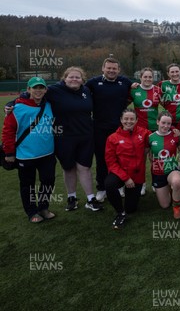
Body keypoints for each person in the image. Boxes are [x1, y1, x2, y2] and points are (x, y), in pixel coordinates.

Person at [2, 77, 56, 223]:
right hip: (26, 155)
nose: (38, 90)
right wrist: (9, 153)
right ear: (28, 90)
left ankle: (43, 207)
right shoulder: (17, 108)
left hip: (48, 154)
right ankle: (32, 212)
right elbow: (8, 131)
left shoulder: (49, 105)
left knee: (48, 181)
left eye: (41, 88)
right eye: (35, 88)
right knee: (28, 185)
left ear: (45, 90)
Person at [52, 67, 102, 212]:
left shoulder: (86, 91)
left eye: (77, 77)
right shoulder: (55, 90)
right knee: (68, 168)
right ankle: (71, 197)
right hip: (63, 137)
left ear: (82, 80)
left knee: (84, 167)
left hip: (86, 136)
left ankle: (91, 199)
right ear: (65, 78)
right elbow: (33, 93)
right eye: (71, 77)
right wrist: (12, 104)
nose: (74, 79)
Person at [86, 57, 133, 203]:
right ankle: (101, 188)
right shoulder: (93, 83)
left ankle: (119, 185)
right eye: (109, 68)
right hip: (99, 128)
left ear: (118, 70)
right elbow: (74, 90)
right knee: (101, 158)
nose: (111, 71)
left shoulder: (125, 82)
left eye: (114, 68)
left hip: (119, 128)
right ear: (103, 68)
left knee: (121, 158)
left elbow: (137, 92)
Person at [104, 109, 151, 229]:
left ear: (136, 120)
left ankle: (127, 207)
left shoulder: (144, 133)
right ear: (121, 120)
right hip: (120, 173)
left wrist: (174, 131)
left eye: (131, 119)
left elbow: (160, 135)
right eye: (126, 119)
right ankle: (120, 212)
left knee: (131, 209)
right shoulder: (112, 138)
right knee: (109, 184)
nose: (128, 121)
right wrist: (125, 178)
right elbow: (111, 162)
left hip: (137, 175)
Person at [130, 67, 162, 196]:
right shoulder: (134, 90)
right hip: (139, 130)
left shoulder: (158, 90)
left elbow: (169, 104)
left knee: (154, 157)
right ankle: (141, 184)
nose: (148, 79)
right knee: (140, 158)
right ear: (140, 77)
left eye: (150, 77)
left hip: (154, 129)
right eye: (145, 77)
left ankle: (156, 183)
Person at [148, 111, 180, 219]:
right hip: (158, 172)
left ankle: (177, 207)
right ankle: (168, 188)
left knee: (177, 182)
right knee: (164, 205)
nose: (166, 126)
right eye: (163, 123)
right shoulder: (150, 137)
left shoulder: (175, 135)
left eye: (168, 124)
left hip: (172, 170)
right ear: (158, 122)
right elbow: (146, 154)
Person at [159, 63, 180, 129]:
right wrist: (165, 104)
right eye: (172, 72)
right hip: (168, 119)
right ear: (168, 74)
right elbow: (156, 95)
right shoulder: (163, 84)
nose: (175, 74)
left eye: (177, 71)